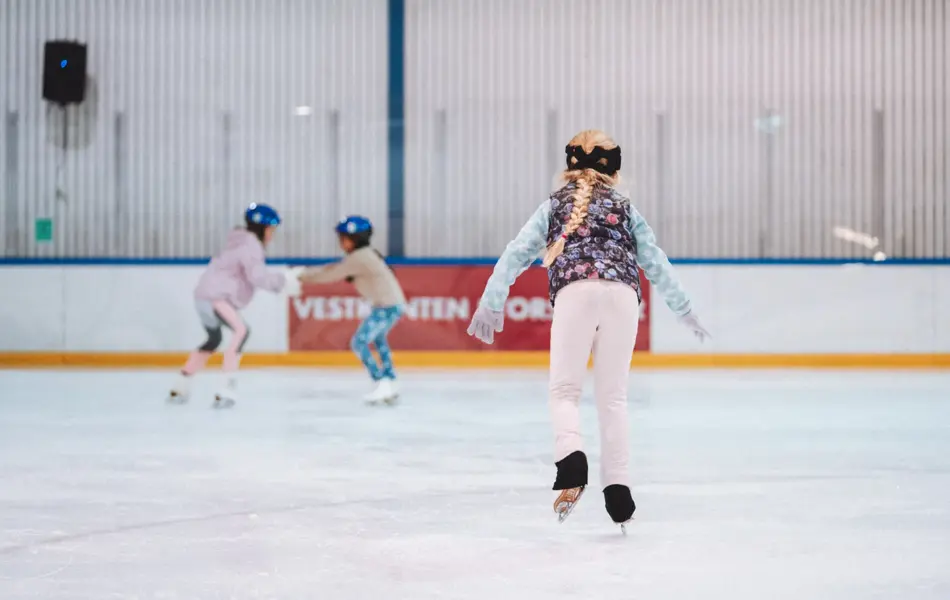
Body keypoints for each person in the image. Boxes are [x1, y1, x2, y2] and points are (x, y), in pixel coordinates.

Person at [467, 130, 709, 529]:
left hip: (575, 292)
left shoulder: (553, 206)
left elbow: (515, 254)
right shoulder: (626, 207)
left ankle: (571, 459)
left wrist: (492, 301)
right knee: (613, 399)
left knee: (565, 391)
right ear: (614, 170)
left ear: (569, 166)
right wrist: (683, 308)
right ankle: (618, 491)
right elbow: (656, 262)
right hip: (623, 296)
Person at [168, 203, 300, 408]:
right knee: (241, 331)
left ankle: (180, 386)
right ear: (262, 228)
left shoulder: (236, 242)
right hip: (216, 298)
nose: (272, 235)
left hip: (203, 297)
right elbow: (257, 277)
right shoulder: (251, 245)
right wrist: (284, 280)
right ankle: (226, 388)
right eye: (271, 230)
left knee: (214, 339)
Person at [297, 216, 407, 405]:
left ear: (356, 239)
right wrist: (306, 273)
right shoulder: (363, 256)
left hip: (387, 307)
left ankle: (381, 381)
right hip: (391, 305)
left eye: (344, 238)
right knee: (379, 340)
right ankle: (390, 381)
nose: (341, 243)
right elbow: (335, 268)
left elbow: (331, 274)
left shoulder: (360, 258)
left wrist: (302, 276)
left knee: (359, 342)